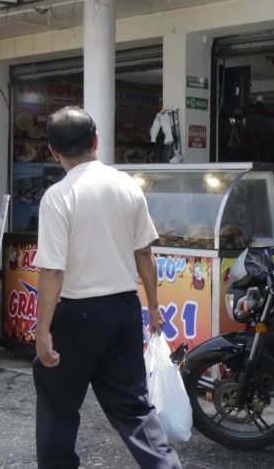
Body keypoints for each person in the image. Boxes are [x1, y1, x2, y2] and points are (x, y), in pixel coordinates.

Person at [33, 106, 182, 469]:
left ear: (53, 151)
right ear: (96, 142)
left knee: (58, 404)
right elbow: (144, 252)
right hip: (123, 311)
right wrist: (153, 305)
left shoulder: (58, 195)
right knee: (133, 407)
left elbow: (52, 272)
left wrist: (42, 331)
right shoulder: (127, 185)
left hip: (77, 314)